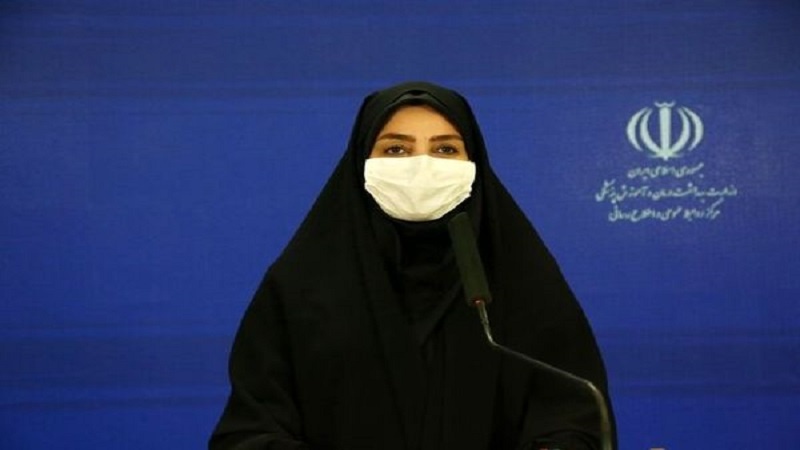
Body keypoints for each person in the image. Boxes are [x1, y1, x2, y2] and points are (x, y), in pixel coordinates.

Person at [209, 81, 615, 450]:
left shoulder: (524, 284)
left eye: (445, 149)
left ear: (475, 162)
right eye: (396, 150)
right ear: (360, 161)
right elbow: (247, 434)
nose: (422, 165)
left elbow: (575, 422)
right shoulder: (299, 289)